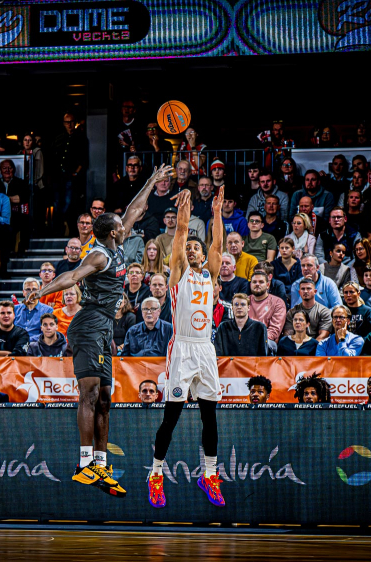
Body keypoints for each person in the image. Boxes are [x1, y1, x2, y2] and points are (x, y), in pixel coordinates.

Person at [27, 164, 172, 497]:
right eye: (121, 226)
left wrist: (151, 181)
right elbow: (71, 277)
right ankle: (84, 465)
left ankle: (101, 465)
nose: (126, 226)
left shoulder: (116, 243)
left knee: (106, 400)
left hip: (104, 327)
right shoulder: (98, 255)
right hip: (89, 325)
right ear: (112, 232)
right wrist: (42, 290)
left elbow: (134, 210)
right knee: (90, 395)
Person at [147, 187, 228, 509]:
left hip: (205, 348)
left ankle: (210, 475)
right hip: (181, 348)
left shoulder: (210, 274)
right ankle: (155, 474)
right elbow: (181, 231)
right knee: (172, 417)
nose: (193, 250)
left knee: (210, 417)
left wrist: (217, 212)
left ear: (203, 255)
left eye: (198, 247)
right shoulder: (178, 274)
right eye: (190, 248)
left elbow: (218, 244)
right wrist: (186, 208)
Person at [248, 270, 287, 347]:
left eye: (261, 282)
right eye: (254, 282)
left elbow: (274, 330)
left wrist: (255, 339)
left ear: (268, 285)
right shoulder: (245, 301)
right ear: (250, 285)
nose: (257, 284)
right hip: (245, 339)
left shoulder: (277, 302)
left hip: (266, 341)